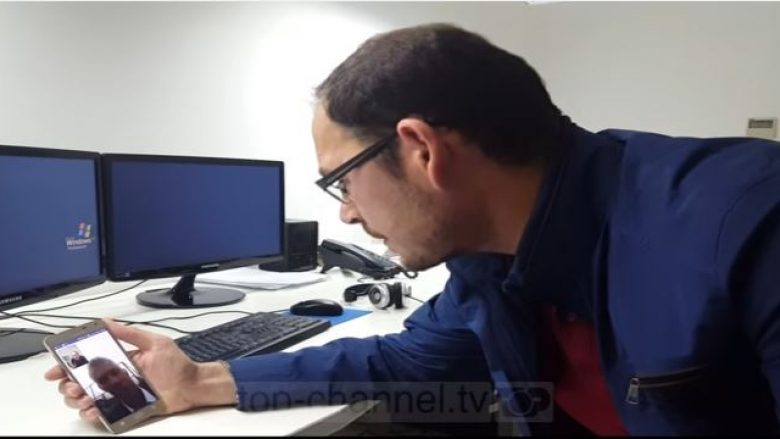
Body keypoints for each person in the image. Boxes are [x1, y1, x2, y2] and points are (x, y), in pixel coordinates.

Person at [46, 23, 780, 435]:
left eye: (340, 181)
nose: (345, 214)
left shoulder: (750, 220)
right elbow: (404, 361)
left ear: (422, 150)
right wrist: (199, 379)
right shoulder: (490, 260)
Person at [86, 357, 157, 424]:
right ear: (101, 388)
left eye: (115, 372)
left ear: (125, 372)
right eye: (103, 380)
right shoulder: (113, 420)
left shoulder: (159, 386)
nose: (114, 381)